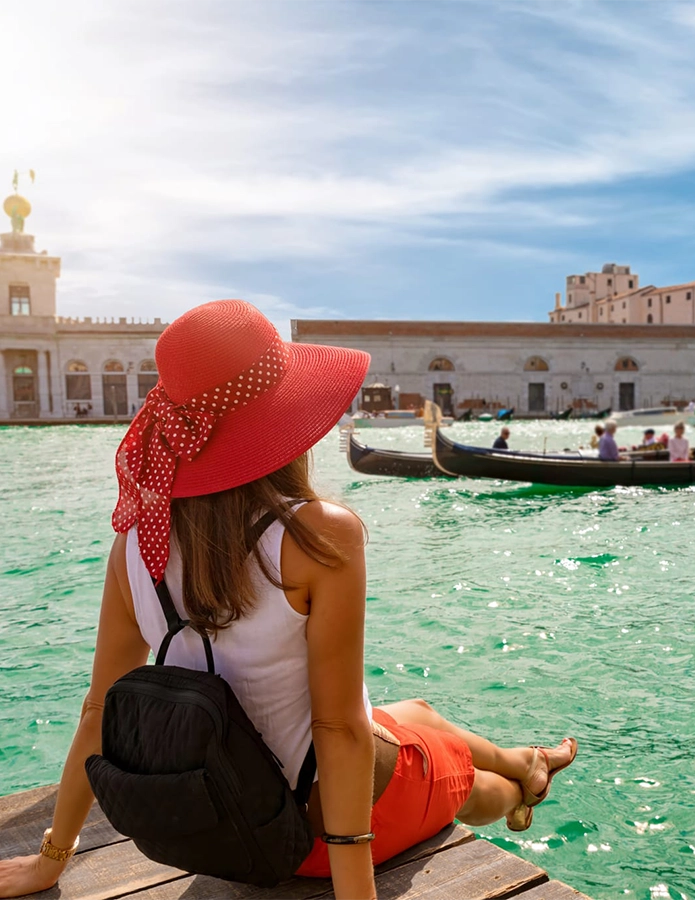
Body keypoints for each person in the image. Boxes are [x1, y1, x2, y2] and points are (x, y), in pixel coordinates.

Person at [0, 300, 577, 900]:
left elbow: (98, 710)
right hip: (308, 841)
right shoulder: (318, 535)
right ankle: (523, 783)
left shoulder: (134, 543)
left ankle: (519, 755)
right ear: (280, 420)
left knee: (419, 713)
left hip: (225, 819)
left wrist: (51, 858)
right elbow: (338, 729)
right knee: (456, 770)